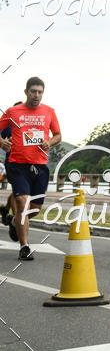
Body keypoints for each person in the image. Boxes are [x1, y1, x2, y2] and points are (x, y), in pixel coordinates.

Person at [0, 80, 62, 260]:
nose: (36, 95)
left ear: (43, 93)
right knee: (22, 202)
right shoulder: (13, 112)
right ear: (26, 91)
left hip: (40, 166)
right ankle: (24, 247)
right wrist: (2, 142)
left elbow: (58, 135)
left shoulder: (49, 111)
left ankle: (13, 220)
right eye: (33, 91)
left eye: (40, 92)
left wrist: (49, 142)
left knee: (34, 209)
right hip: (17, 164)